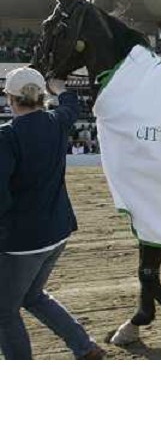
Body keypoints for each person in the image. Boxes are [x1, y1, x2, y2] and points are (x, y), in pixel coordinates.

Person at [0, 67, 104, 360]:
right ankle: (85, 347)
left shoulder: (7, 137)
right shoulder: (56, 121)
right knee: (33, 297)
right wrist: (62, 88)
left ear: (11, 99)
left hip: (22, 241)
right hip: (57, 232)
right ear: (42, 95)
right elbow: (72, 105)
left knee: (4, 313)